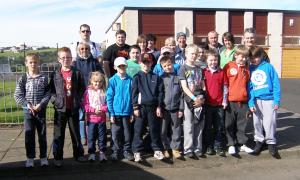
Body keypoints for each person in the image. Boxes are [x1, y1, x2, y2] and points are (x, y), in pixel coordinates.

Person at [49, 47, 85, 167]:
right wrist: (56, 101)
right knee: (58, 135)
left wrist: (78, 101)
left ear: (71, 58)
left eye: (68, 57)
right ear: (59, 59)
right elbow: (51, 91)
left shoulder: (77, 72)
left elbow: (82, 89)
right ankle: (58, 157)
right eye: (63, 57)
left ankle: (78, 154)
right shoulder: (55, 74)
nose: (66, 59)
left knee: (75, 133)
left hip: (73, 108)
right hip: (60, 109)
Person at [14, 53, 50, 168]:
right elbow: (18, 95)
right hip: (28, 112)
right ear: (26, 63)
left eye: (35, 62)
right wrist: (27, 105)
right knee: (29, 135)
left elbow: (48, 94)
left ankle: (43, 157)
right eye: (30, 62)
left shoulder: (44, 78)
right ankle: (30, 158)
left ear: (39, 63)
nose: (33, 64)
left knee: (42, 134)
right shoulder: (23, 78)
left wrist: (41, 104)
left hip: (40, 111)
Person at [248, 46, 280, 158]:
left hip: (269, 100)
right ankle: (259, 142)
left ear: (261, 56)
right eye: (251, 57)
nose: (254, 59)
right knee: (257, 122)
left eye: (256, 57)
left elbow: (276, 84)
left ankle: (271, 143)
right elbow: (250, 88)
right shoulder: (250, 69)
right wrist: (251, 102)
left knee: (270, 122)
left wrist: (276, 100)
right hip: (256, 100)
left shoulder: (269, 67)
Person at [131, 53, 165, 162]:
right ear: (140, 63)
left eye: (148, 62)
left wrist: (159, 106)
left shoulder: (156, 77)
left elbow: (160, 93)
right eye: (144, 62)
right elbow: (134, 94)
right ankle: (137, 151)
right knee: (138, 129)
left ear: (152, 63)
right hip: (140, 108)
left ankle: (157, 150)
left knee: (154, 129)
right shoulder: (136, 77)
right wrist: (135, 107)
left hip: (153, 108)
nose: (146, 64)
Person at [223, 45, 254, 155]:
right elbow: (225, 84)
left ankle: (242, 144)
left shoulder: (247, 69)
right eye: (241, 56)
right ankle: (231, 144)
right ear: (235, 55)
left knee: (242, 124)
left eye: (246, 57)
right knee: (229, 124)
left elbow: (248, 86)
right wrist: (224, 100)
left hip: (243, 102)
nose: (244, 59)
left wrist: (250, 102)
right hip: (231, 101)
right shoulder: (228, 66)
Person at [73, 42, 104, 146]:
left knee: (94, 115)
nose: (84, 50)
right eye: (82, 49)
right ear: (78, 50)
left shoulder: (94, 62)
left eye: (86, 48)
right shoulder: (75, 63)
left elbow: (101, 75)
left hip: (94, 93)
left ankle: (92, 135)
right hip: (81, 93)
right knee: (81, 116)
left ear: (89, 50)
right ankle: (83, 137)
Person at [179, 44, 206, 158]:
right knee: (188, 125)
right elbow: (184, 87)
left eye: (196, 54)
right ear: (186, 54)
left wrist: (202, 98)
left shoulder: (199, 68)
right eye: (192, 54)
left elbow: (203, 84)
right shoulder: (183, 68)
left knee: (199, 125)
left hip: (199, 99)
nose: (194, 56)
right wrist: (194, 99)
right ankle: (188, 148)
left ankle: (198, 148)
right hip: (189, 100)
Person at [107, 57, 134, 161]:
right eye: (119, 66)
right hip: (116, 112)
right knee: (115, 133)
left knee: (127, 133)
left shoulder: (130, 80)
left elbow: (132, 97)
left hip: (127, 112)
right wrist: (112, 113)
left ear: (126, 66)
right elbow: (109, 97)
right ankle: (115, 151)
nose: (122, 67)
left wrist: (131, 112)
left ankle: (126, 150)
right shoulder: (112, 80)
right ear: (115, 67)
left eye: (123, 65)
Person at [203, 50, 228, 157]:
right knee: (208, 127)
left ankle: (218, 146)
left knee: (219, 127)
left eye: (215, 60)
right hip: (207, 105)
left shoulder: (222, 72)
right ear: (206, 60)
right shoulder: (203, 72)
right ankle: (209, 146)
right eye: (211, 60)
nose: (213, 62)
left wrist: (225, 101)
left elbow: (225, 87)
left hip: (219, 105)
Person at [159, 56, 184, 159]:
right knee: (163, 130)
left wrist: (181, 109)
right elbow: (159, 94)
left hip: (176, 109)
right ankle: (165, 148)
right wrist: (159, 107)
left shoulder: (178, 78)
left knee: (176, 129)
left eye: (169, 65)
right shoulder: (160, 78)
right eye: (164, 66)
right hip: (164, 109)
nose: (167, 67)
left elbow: (182, 94)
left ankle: (175, 148)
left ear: (172, 64)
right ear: (162, 67)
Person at [82, 72, 108, 162]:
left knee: (102, 137)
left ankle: (102, 153)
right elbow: (85, 105)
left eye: (100, 82)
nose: (98, 83)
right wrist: (93, 110)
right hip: (91, 119)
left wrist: (102, 109)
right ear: (91, 81)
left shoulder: (104, 92)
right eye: (95, 81)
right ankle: (92, 153)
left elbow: (107, 104)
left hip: (102, 119)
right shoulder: (88, 92)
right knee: (91, 137)